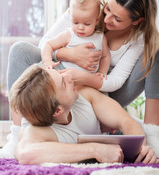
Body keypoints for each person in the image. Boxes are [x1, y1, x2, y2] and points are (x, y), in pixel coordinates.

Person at [1, 0, 159, 158]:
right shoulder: (86, 6)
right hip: (65, 73)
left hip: (105, 86)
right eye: (107, 10)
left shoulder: (138, 40)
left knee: (155, 49)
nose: (106, 19)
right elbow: (46, 43)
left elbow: (116, 84)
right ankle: (15, 135)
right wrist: (69, 55)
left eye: (116, 18)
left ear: (137, 21)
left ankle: (153, 135)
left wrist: (85, 78)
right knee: (21, 50)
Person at [9, 64, 157, 164]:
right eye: (63, 83)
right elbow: (25, 154)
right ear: (58, 111)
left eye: (61, 74)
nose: (69, 76)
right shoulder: (37, 130)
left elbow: (126, 121)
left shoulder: (85, 96)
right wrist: (95, 149)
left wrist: (141, 149)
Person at [42, 0, 110, 81]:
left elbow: (105, 56)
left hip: (88, 80)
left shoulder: (100, 37)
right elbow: (48, 44)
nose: (80, 27)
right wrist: (47, 61)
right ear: (70, 15)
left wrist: (102, 72)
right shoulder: (69, 34)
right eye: (75, 22)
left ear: (97, 20)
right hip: (63, 74)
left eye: (87, 24)